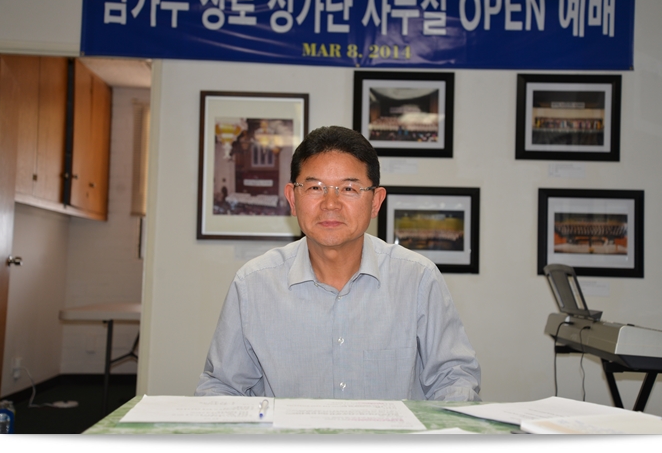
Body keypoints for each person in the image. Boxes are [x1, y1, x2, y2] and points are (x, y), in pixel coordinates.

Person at [195, 125, 481, 401]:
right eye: (315, 187)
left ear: (375, 202)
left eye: (349, 188)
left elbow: (454, 379)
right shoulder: (253, 284)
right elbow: (222, 387)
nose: (330, 203)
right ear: (292, 198)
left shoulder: (417, 278)